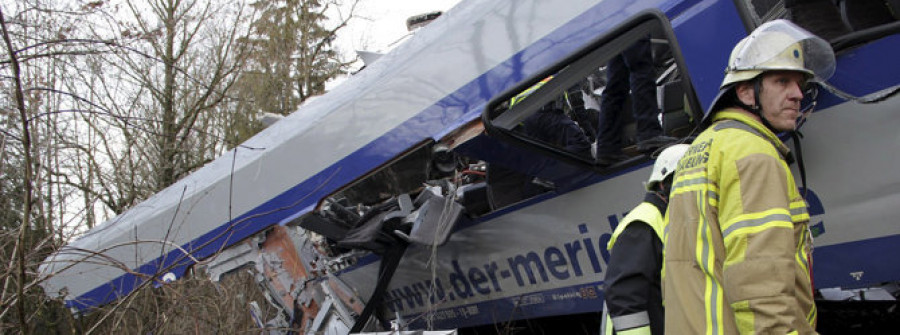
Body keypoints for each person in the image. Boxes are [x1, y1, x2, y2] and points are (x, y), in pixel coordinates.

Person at [663, 19, 835, 334]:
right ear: (745, 91)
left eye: (800, 85)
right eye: (782, 81)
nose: (798, 94)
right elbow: (760, 281)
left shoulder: (700, 149)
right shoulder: (753, 155)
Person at [602, 144, 689, 335]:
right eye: (685, 181)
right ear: (662, 185)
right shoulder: (643, 224)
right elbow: (625, 298)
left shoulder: (681, 219)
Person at [596, 36, 675, 165]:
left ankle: (607, 148)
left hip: (614, 24)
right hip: (626, 19)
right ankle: (649, 133)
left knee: (616, 83)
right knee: (641, 68)